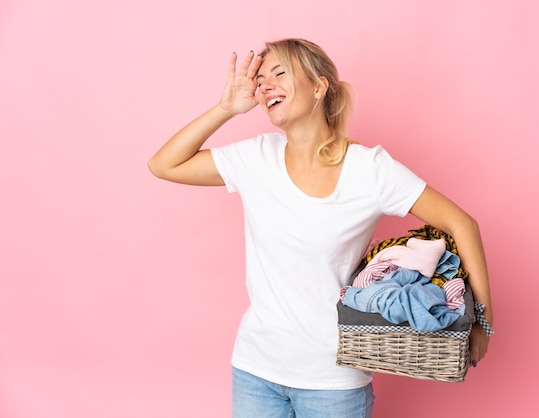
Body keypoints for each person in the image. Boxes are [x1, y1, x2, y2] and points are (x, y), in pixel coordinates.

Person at [148, 38, 493, 418]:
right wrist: (225, 109)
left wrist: (482, 324)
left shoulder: (370, 170)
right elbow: (164, 165)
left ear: (318, 86)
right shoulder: (255, 158)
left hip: (332, 380)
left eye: (279, 73)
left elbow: (462, 224)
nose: (265, 86)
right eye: (261, 80)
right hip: (255, 370)